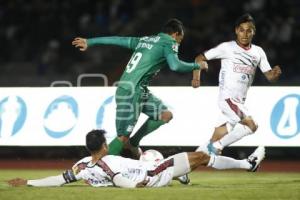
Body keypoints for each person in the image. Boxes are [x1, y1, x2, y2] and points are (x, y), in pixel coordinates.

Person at [72, 18, 208, 159]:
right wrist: (197, 66)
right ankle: (96, 168)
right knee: (122, 137)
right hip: (131, 92)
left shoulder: (145, 40)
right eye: (181, 37)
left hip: (138, 90)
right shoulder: (169, 42)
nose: (180, 41)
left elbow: (117, 40)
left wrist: (90, 42)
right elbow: (175, 66)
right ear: (175, 33)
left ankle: (133, 143)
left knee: (165, 115)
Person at [8, 129, 265, 188]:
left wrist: (30, 182)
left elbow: (61, 179)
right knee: (202, 156)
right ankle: (248, 165)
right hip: (153, 173)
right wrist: (136, 186)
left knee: (192, 158)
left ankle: (184, 174)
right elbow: (117, 178)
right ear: (104, 146)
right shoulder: (106, 162)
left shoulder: (81, 166)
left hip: (149, 167)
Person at [192, 14, 282, 155]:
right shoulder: (227, 47)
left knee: (212, 140)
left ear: (254, 31)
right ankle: (218, 146)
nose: (245, 34)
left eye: (249, 30)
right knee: (252, 125)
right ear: (236, 31)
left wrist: (275, 75)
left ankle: (185, 168)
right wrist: (196, 77)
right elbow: (200, 58)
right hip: (228, 99)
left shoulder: (258, 52)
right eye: (241, 30)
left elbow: (269, 76)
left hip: (239, 102)